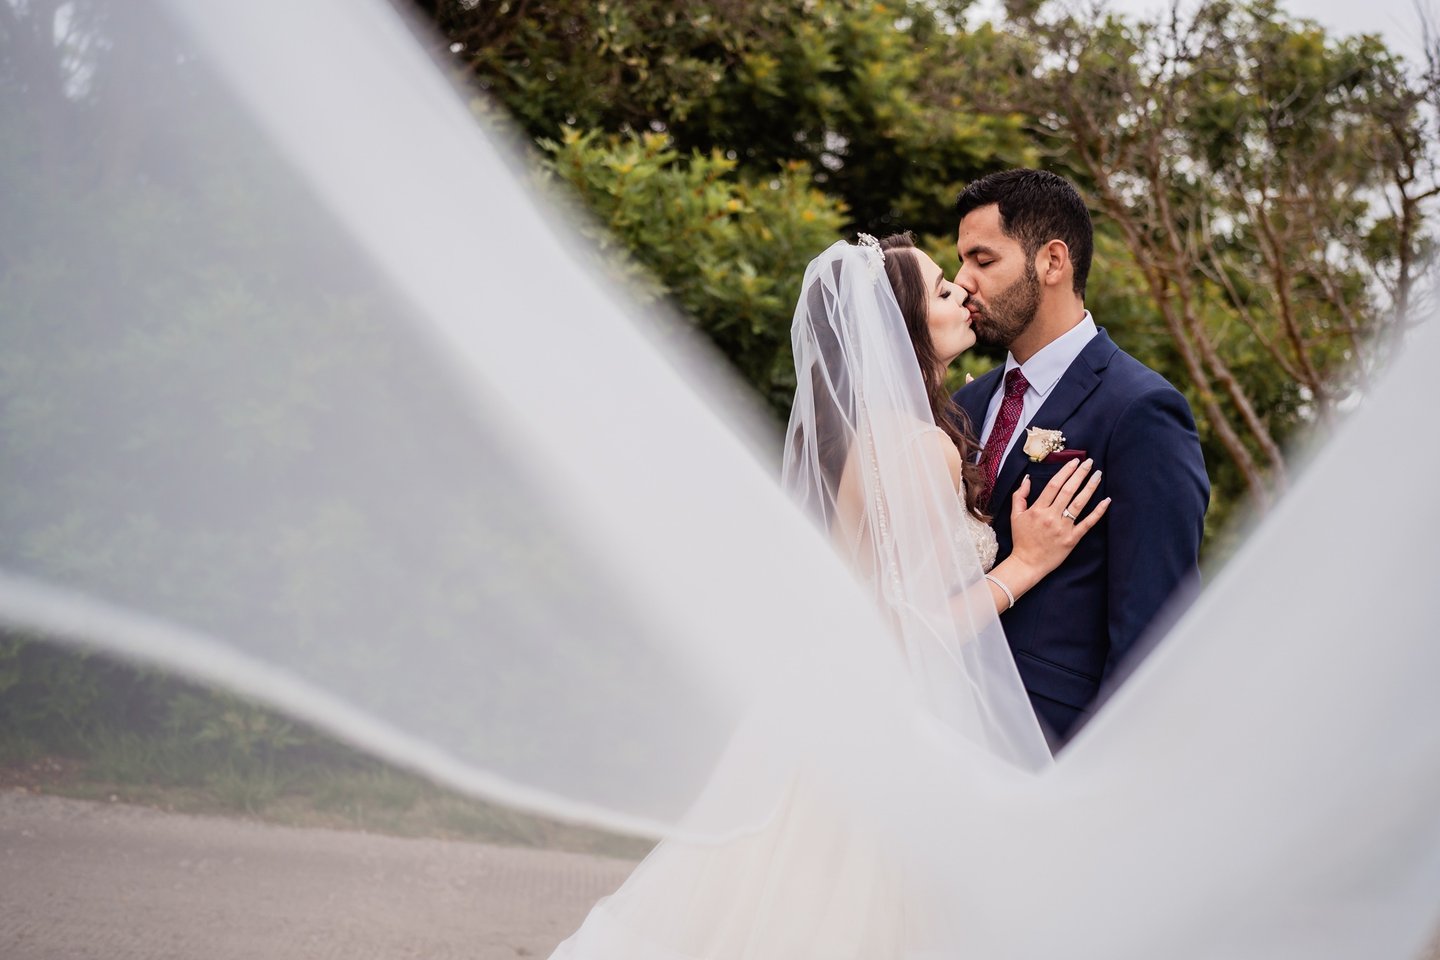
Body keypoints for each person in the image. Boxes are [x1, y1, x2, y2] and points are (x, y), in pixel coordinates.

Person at [549, 235, 1110, 960]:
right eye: (943, 290)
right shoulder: (917, 446)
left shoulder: (873, 437)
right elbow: (905, 630)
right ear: (904, 326)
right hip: (881, 727)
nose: (963, 294)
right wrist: (1022, 567)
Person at [952, 169, 1210, 745]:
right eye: (962, 261)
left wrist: (1099, 780)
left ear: (1052, 261)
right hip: (942, 728)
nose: (963, 281)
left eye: (983, 260)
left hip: (1051, 742)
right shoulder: (965, 403)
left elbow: (1156, 628)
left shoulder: (1140, 409)